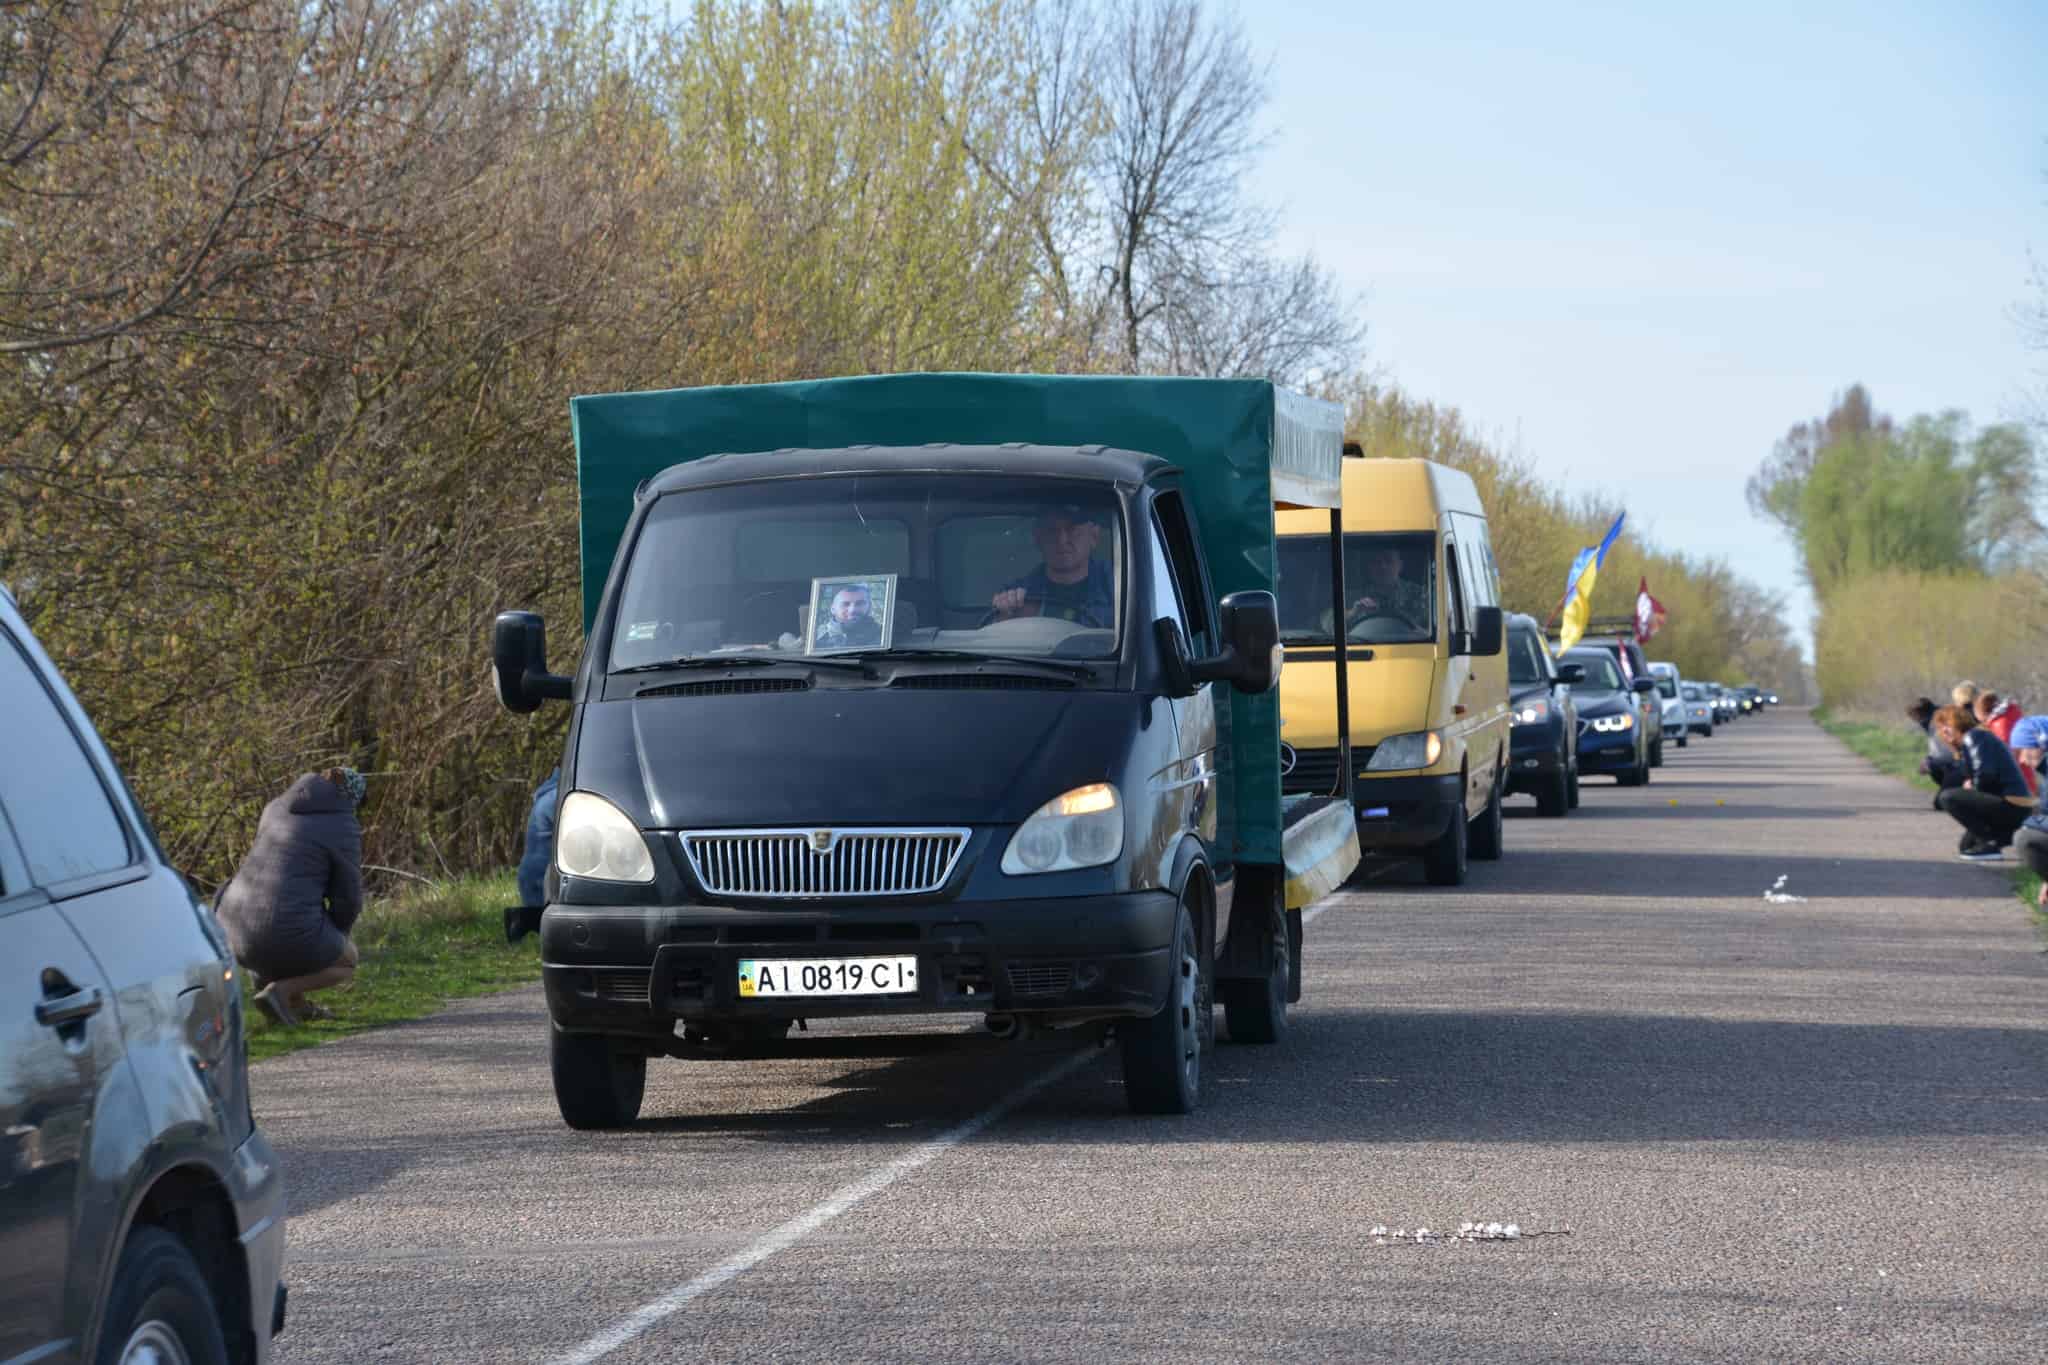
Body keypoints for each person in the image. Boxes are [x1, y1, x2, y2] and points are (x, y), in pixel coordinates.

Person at [216, 767, 366, 1026]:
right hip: (276, 933)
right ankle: (280, 992)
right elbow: (348, 897)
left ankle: (293, 1005)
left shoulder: (274, 809)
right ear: (349, 798)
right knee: (346, 959)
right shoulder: (342, 825)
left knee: (289, 929)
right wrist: (338, 933)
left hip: (231, 925)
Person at [1930, 705, 2035, 861]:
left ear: (1958, 723)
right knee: (1966, 847)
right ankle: (2000, 838)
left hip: (2013, 804)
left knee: (1947, 797)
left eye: (1947, 725)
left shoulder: (1974, 736)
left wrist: (1971, 785)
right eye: (1941, 728)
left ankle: (1990, 842)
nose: (1944, 732)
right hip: (2009, 805)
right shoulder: (1972, 740)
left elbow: (1985, 775)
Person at [990, 504, 1114, 627]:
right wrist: (1004, 621)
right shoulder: (1015, 598)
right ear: (1038, 539)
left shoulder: (1121, 586)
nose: (1062, 540)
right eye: (1051, 530)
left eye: (1072, 529)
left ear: (1094, 536)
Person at [1344, 542, 1429, 629]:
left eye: (1389, 560)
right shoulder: (1352, 597)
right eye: (1376, 561)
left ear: (1400, 565)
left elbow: (1437, 627)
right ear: (1369, 567)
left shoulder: (1420, 595)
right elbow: (1331, 628)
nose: (1383, 566)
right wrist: (1353, 614)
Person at [1908, 697, 1964, 791]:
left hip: (1957, 765)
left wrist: (1929, 763)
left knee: (1940, 801)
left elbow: (1946, 753)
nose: (1916, 722)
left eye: (1915, 717)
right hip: (1956, 762)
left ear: (1919, 714)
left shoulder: (1937, 722)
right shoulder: (1937, 718)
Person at [814, 583, 884, 649]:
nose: (852, 610)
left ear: (870, 606)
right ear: (833, 609)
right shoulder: (815, 638)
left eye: (859, 603)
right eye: (845, 604)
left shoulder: (883, 636)